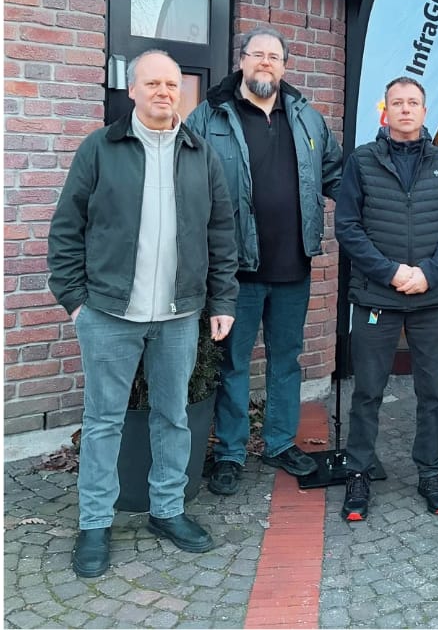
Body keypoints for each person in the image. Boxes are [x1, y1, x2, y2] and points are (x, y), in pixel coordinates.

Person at [48, 50, 239, 578]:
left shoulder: (200, 153)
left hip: (178, 315)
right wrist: (75, 301)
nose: (162, 92)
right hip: (108, 313)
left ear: (181, 92)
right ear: (132, 90)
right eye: (152, 83)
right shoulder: (100, 148)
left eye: (171, 84)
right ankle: (94, 522)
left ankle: (167, 510)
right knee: (103, 421)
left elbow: (222, 234)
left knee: (173, 416)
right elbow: (66, 227)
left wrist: (222, 302)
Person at [187, 28, 343, 495]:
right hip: (235, 271)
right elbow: (185, 181)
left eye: (274, 56)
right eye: (257, 54)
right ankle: (230, 451)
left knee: (286, 360)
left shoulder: (307, 118)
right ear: (242, 60)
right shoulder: (210, 115)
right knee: (233, 363)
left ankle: (278, 442)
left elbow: (335, 175)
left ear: (285, 66)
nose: (266, 63)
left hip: (294, 265)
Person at [335, 76, 438, 521]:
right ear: (386, 111)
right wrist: (390, 272)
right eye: (398, 102)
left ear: (425, 112)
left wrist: (428, 273)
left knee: (433, 392)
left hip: (430, 297)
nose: (406, 109)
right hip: (376, 294)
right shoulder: (362, 161)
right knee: (367, 391)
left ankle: (429, 473)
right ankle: (358, 472)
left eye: (413, 102)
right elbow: (347, 226)